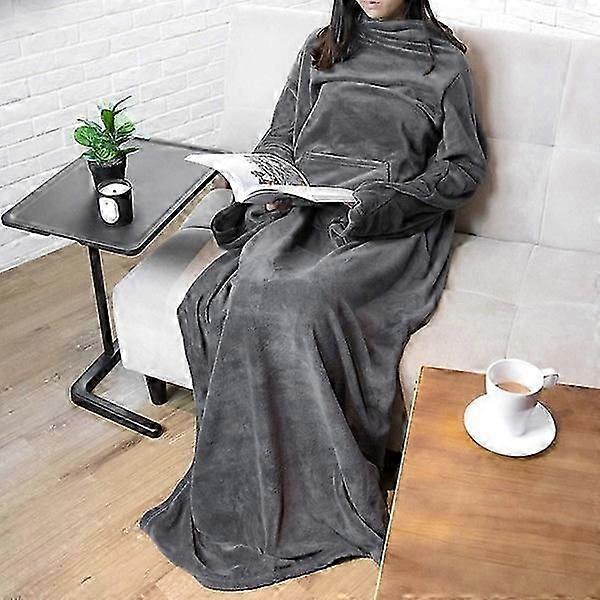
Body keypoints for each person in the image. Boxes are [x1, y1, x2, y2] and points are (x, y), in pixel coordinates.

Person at [138, 0, 488, 591]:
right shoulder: (322, 47)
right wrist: (265, 179)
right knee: (247, 292)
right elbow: (281, 138)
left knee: (304, 302)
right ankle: (253, 479)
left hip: (383, 222)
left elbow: (461, 170)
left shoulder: (445, 64)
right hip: (303, 209)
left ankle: (317, 492)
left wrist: (388, 202)